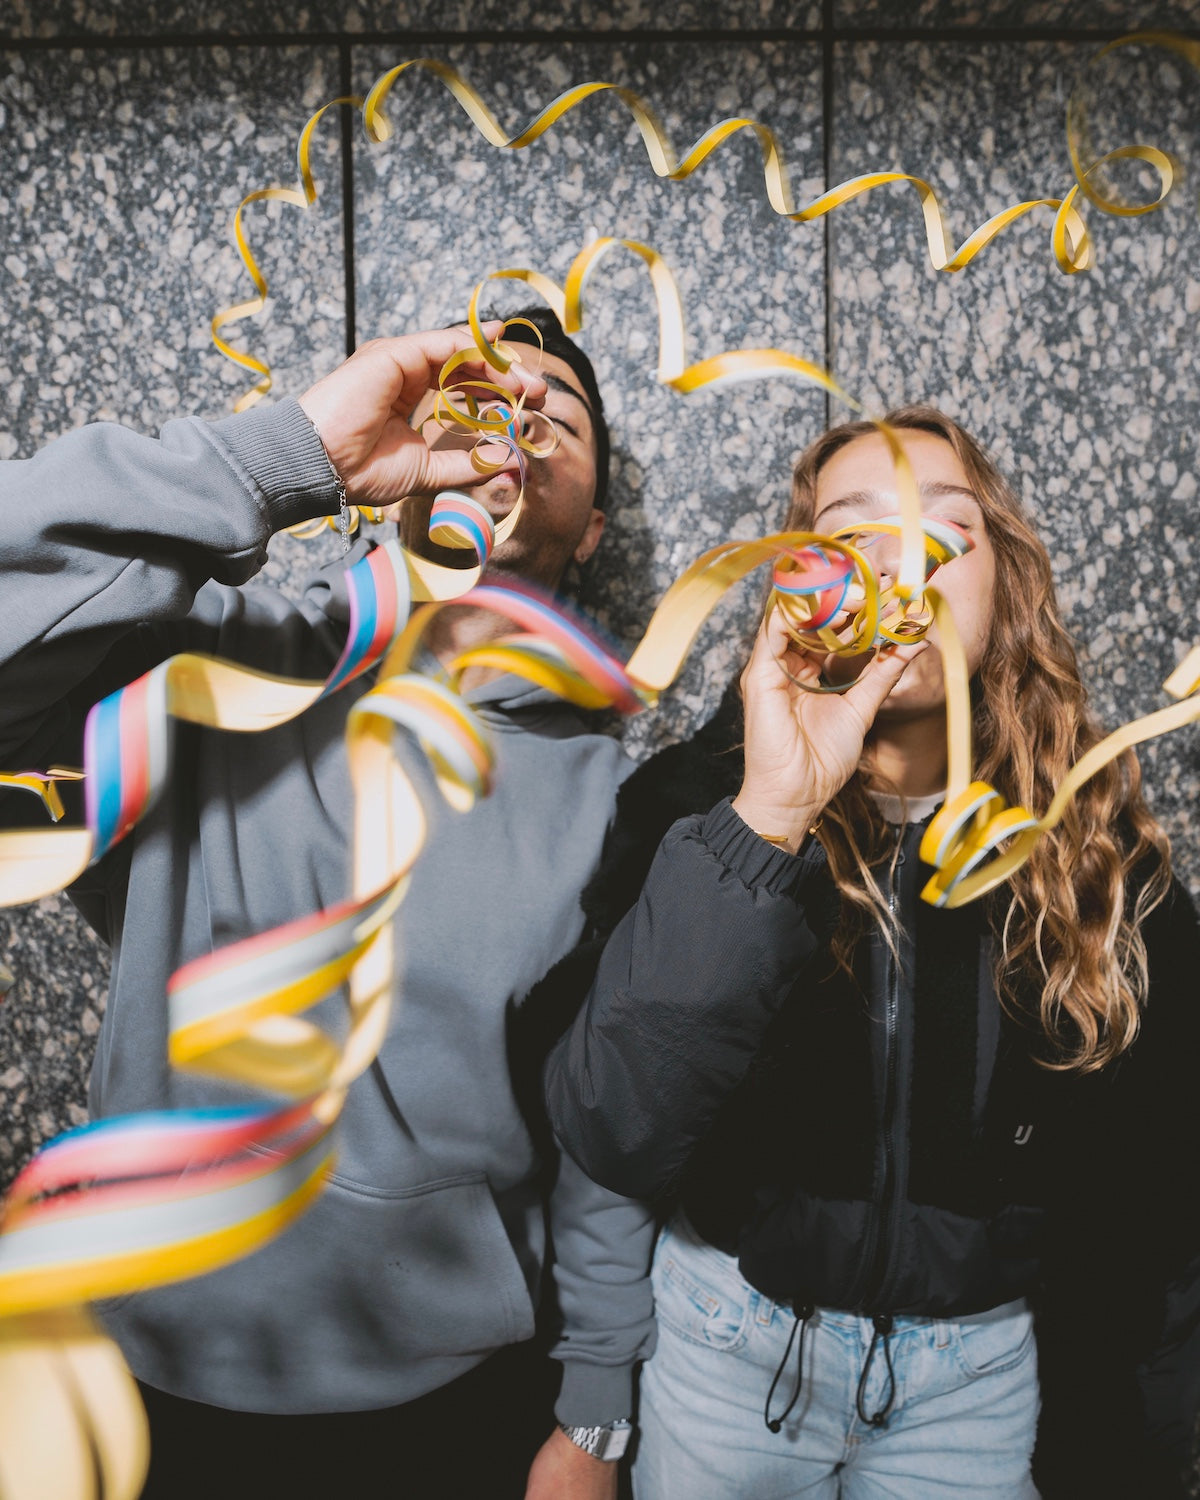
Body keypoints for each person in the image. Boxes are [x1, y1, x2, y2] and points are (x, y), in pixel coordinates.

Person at [0, 311, 655, 1499]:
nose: (513, 426)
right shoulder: (203, 674)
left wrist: (597, 1401)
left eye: (553, 414)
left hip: (454, 1398)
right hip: (149, 1376)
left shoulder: (624, 804)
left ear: (596, 522)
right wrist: (283, 458)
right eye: (480, 398)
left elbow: (608, 1132)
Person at [544, 406, 1200, 1499]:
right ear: (800, 588)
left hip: (978, 1378)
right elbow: (613, 1126)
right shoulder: (692, 813)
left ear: (1005, 591)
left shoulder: (1106, 855)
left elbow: (1161, 1195)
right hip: (725, 1346)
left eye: (948, 529)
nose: (905, 562)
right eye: (856, 532)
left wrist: (1145, 1450)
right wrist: (769, 818)